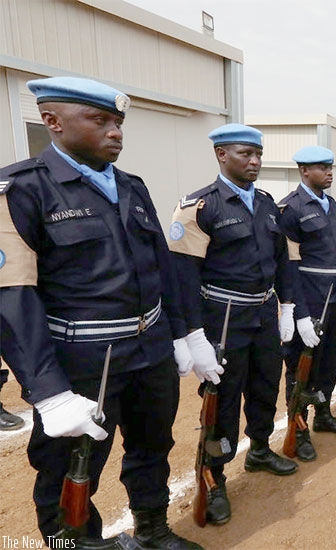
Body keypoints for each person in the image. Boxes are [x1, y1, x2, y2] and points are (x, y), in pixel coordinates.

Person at [0, 76, 200, 548]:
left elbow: (160, 269)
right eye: (99, 120)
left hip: (149, 349)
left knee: (152, 447)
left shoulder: (132, 186)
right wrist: (49, 393)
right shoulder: (24, 190)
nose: (116, 132)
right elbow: (12, 297)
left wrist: (181, 335)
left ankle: (152, 530)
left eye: (118, 122)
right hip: (83, 361)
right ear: (52, 122)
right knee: (69, 467)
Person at [168, 123, 297, 526]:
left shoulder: (266, 203)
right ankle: (215, 477)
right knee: (222, 399)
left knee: (264, 384)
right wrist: (190, 335)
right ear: (221, 155)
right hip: (222, 316)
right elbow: (182, 276)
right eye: (245, 154)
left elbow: (281, 261)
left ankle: (259, 448)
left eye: (257, 154)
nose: (254, 161)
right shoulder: (200, 206)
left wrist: (289, 306)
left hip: (263, 312)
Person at [278, 146, 336, 462]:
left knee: (327, 360)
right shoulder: (290, 209)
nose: (329, 172)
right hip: (310, 297)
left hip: (335, 295)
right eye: (321, 167)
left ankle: (323, 415)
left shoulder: (332, 206)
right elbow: (288, 264)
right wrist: (297, 311)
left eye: (330, 166)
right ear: (303, 171)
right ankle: (298, 430)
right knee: (301, 364)